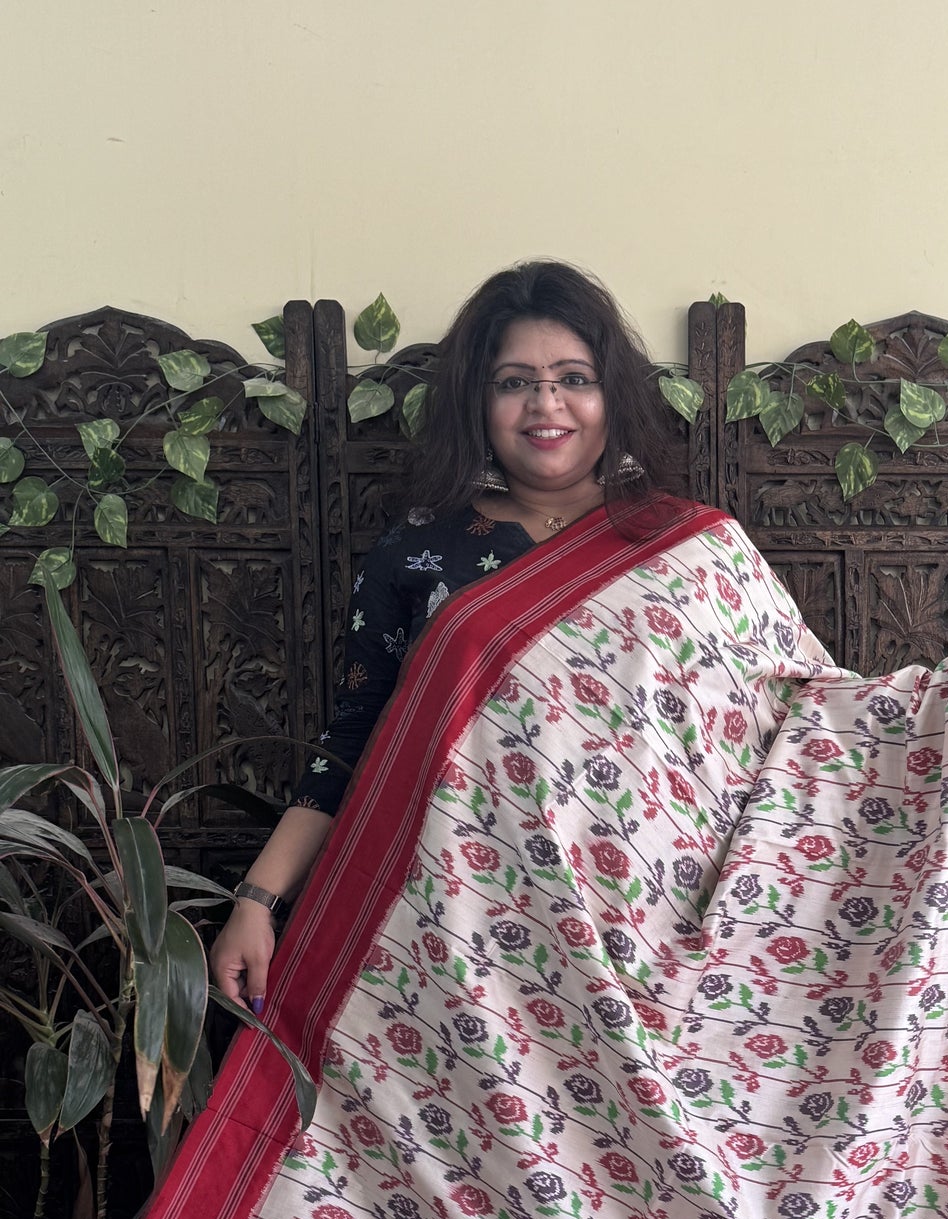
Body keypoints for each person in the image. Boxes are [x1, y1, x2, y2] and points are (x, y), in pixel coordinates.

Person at [208, 259, 677, 1016]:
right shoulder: (419, 550)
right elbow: (357, 738)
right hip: (456, 920)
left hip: (641, 923)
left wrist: (935, 714)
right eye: (514, 381)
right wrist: (256, 900)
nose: (545, 404)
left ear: (610, 394)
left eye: (573, 378)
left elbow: (776, 722)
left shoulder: (679, 547)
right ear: (477, 400)